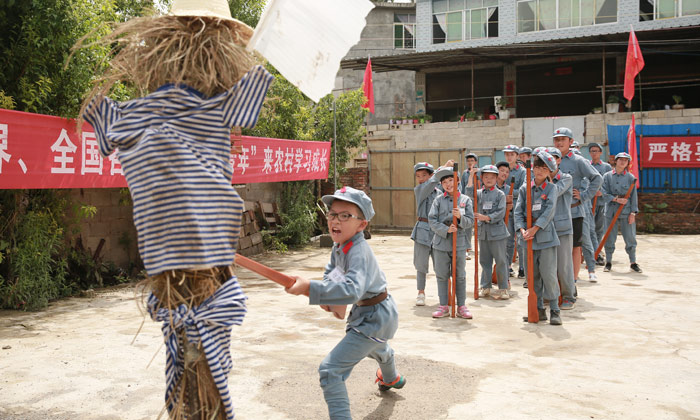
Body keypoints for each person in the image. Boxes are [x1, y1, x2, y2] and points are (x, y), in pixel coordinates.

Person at [285, 186, 405, 420]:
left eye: (345, 215)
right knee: (378, 347)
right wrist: (331, 299)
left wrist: (311, 288)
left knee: (330, 371)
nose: (335, 221)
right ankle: (391, 378)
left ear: (362, 224)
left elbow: (351, 290)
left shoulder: (358, 251)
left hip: (374, 317)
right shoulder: (340, 245)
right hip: (372, 314)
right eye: (332, 214)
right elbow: (333, 271)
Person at [553, 127, 602, 310]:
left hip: (573, 211)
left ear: (571, 141)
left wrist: (584, 195)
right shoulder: (549, 160)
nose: (559, 143)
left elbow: (596, 178)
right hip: (553, 213)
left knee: (574, 249)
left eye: (563, 139)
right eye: (556, 139)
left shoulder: (578, 161)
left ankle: (571, 284)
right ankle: (557, 286)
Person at [514, 151, 562, 326]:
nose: (540, 171)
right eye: (537, 167)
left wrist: (534, 228)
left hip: (546, 238)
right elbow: (518, 211)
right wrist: (522, 230)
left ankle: (555, 309)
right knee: (532, 276)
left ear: (550, 171)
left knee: (548, 275)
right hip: (527, 239)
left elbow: (548, 213)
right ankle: (538, 309)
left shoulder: (552, 188)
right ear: (532, 168)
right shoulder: (524, 188)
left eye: (544, 168)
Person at [429, 166, 475, 319]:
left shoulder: (465, 200)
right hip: (441, 244)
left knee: (459, 275)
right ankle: (443, 305)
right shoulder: (438, 200)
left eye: (451, 180)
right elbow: (432, 220)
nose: (448, 184)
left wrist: (460, 218)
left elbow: (470, 222)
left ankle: (461, 305)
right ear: (441, 185)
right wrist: (445, 229)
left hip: (459, 244)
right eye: (444, 182)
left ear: (457, 181)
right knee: (442, 275)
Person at [411, 160, 451, 306]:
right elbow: (430, 184)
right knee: (421, 265)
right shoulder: (419, 190)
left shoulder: (440, 193)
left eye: (424, 175)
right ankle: (420, 292)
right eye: (418, 176)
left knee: (440, 265)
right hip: (422, 230)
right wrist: (443, 169)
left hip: (437, 231)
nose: (421, 179)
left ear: (431, 175)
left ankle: (445, 294)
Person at [472, 165, 510, 299]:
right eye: (486, 177)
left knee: (500, 261)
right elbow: (467, 194)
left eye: (492, 177)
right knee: (484, 261)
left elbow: (501, 212)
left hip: (497, 232)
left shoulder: (500, 194)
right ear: (481, 178)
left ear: (496, 178)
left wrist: (487, 218)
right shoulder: (478, 193)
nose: (489, 180)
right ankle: (485, 286)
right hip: (483, 233)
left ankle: (503, 287)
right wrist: (472, 176)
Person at [602, 152, 642, 273]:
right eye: (620, 159)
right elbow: (603, 193)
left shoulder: (631, 178)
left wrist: (633, 213)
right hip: (610, 211)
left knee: (630, 237)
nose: (623, 162)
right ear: (616, 161)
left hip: (626, 211)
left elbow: (634, 197)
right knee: (609, 237)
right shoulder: (607, 176)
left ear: (628, 163)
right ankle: (608, 262)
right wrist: (616, 199)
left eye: (625, 160)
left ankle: (633, 262)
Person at [547, 147, 576, 307]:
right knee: (547, 265)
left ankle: (568, 296)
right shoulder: (538, 180)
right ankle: (550, 295)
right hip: (544, 227)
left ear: (559, 161)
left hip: (562, 227)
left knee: (564, 264)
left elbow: (553, 192)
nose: (551, 162)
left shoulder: (566, 178)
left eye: (554, 158)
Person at [503, 145, 526, 280]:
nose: (509, 157)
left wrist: (511, 194)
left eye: (512, 154)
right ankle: (508, 266)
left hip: (519, 209)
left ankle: (522, 267)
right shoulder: (502, 170)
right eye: (507, 154)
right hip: (506, 210)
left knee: (521, 240)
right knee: (508, 240)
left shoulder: (522, 172)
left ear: (517, 156)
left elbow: (524, 189)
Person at [589, 142, 613, 264]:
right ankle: (593, 252)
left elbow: (610, 184)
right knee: (590, 228)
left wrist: (602, 193)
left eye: (596, 151)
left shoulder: (606, 167)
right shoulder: (587, 166)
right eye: (592, 151)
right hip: (589, 203)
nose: (594, 153)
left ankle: (598, 252)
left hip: (601, 202)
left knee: (599, 229)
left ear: (600, 152)